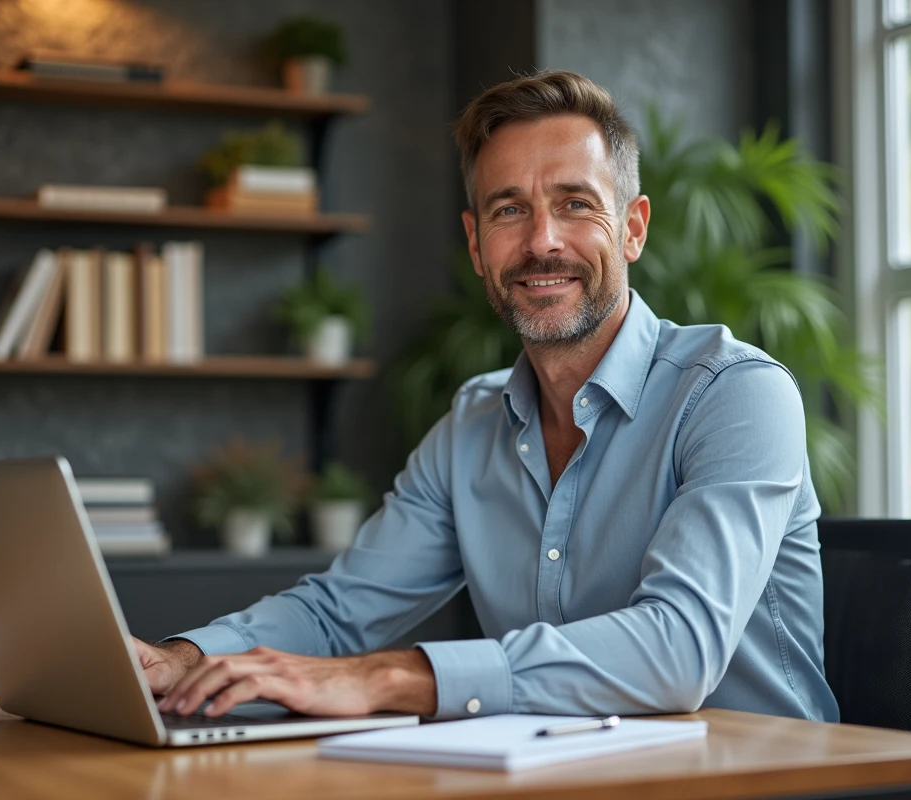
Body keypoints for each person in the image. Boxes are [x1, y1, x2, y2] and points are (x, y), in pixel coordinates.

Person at [132, 69, 840, 723]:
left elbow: (679, 650)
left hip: (764, 779)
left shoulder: (735, 395)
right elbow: (339, 614)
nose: (542, 241)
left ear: (632, 229)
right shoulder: (471, 426)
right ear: (476, 245)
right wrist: (185, 660)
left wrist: (388, 678)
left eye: (575, 204)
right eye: (509, 210)